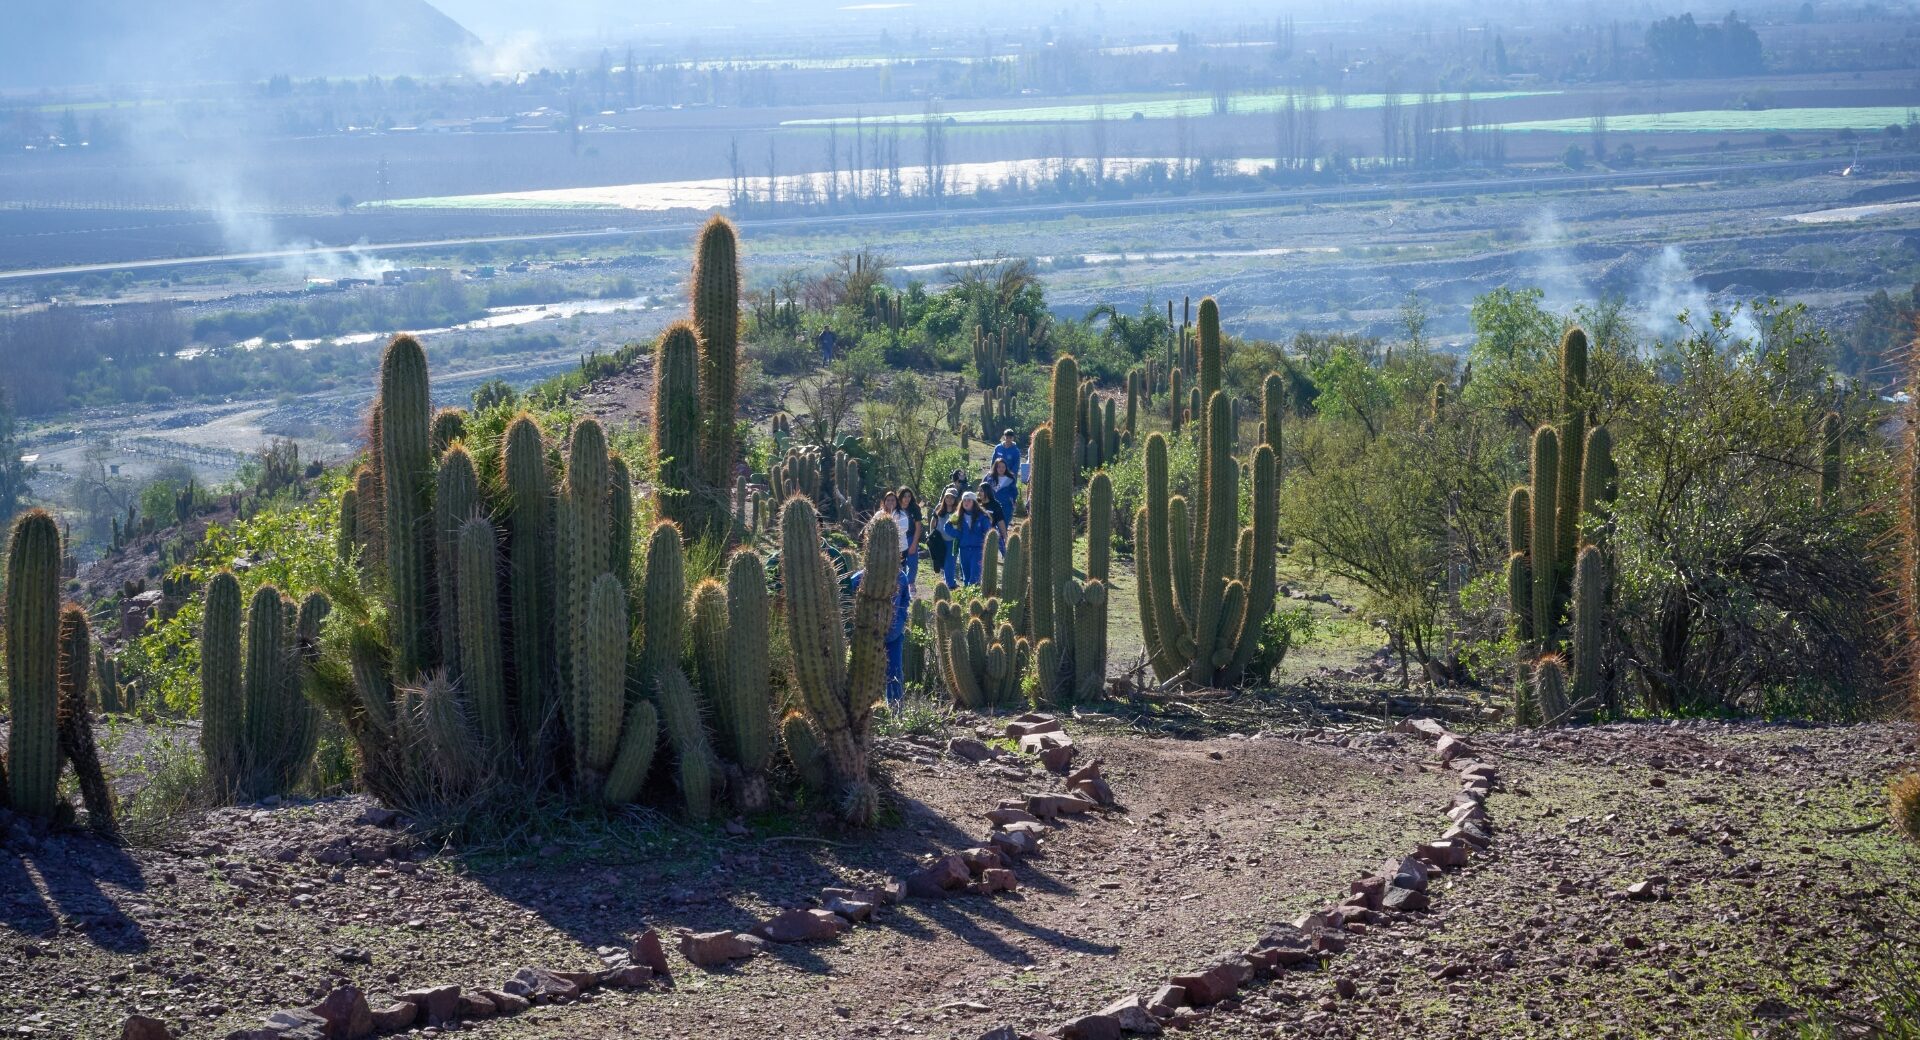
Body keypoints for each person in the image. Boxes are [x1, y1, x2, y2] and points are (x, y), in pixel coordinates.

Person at [850, 553, 914, 710]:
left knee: (894, 673)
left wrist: (899, 621)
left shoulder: (900, 577)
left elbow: (906, 600)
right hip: (868, 637)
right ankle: (868, 713)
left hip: (894, 635)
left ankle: (895, 710)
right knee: (866, 674)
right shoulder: (858, 579)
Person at [942, 492, 993, 587]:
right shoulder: (957, 515)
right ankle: (968, 598)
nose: (966, 502)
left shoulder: (982, 516)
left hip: (977, 550)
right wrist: (959, 535)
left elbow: (989, 532)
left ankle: (975, 598)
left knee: (975, 576)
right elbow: (947, 527)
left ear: (974, 502)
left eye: (969, 500)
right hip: (964, 550)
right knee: (966, 576)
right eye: (964, 500)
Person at [928, 486, 959, 588]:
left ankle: (950, 584)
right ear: (944, 498)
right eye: (947, 497)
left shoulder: (958, 511)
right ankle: (949, 581)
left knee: (951, 562)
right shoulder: (939, 508)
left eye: (952, 498)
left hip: (953, 541)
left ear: (955, 499)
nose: (949, 500)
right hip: (940, 540)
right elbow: (933, 522)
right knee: (942, 562)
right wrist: (931, 535)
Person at [897, 486, 925, 589]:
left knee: (913, 563)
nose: (907, 499)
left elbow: (918, 527)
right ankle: (901, 585)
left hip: (911, 537)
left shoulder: (915, 508)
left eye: (909, 496)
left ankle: (911, 583)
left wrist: (914, 543)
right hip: (899, 539)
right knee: (900, 563)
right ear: (900, 497)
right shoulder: (896, 508)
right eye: (904, 496)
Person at [986, 459, 1017, 540]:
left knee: (1002, 530)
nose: (1001, 469)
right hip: (991, 507)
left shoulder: (1010, 479)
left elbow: (1014, 492)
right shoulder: (989, 477)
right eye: (999, 467)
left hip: (1005, 507)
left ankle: (1003, 549)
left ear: (1006, 468)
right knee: (989, 528)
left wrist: (1013, 501)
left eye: (1003, 467)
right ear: (995, 467)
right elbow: (982, 488)